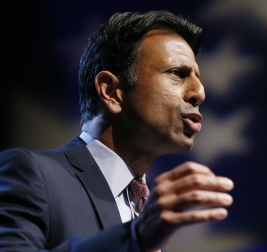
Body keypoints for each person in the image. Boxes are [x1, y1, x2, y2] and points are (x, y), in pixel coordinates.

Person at [0, 10, 234, 252]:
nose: (200, 92)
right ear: (111, 91)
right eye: (177, 73)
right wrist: (135, 237)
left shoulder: (146, 210)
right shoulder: (32, 174)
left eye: (197, 77)